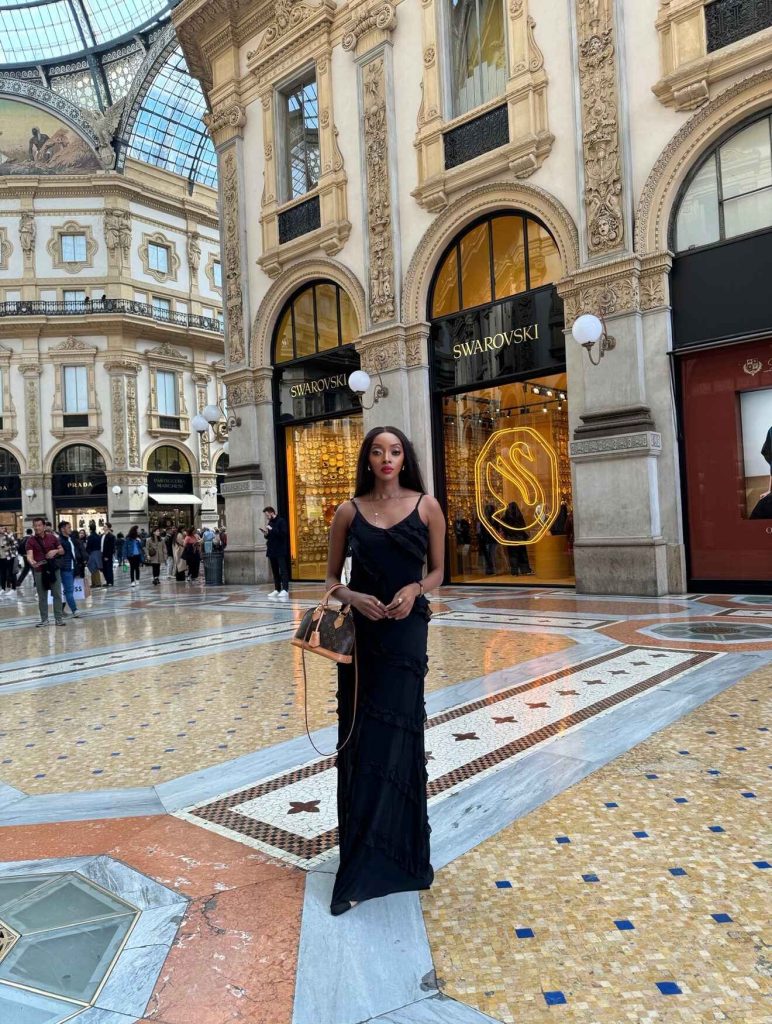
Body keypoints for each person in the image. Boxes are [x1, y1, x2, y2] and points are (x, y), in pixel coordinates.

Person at [323, 426, 445, 916]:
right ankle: (357, 867)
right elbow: (331, 580)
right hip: (363, 637)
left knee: (400, 737)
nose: (386, 458)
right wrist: (351, 596)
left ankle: (403, 861)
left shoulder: (427, 506)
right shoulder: (349, 512)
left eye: (394, 451)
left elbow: (438, 571)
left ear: (404, 457)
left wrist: (416, 590)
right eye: (377, 451)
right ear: (367, 460)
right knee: (362, 740)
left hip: (406, 635)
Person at [27, 516, 64, 627]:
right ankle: (44, 620)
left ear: (43, 526)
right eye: (35, 526)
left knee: (57, 594)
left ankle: (59, 619)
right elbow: (29, 555)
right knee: (42, 596)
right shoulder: (31, 540)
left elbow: (62, 551)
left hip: (53, 569)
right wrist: (31, 561)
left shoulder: (52, 537)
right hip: (39, 570)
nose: (37, 528)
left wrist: (55, 551)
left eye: (39, 525)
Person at [261, 506, 289, 600]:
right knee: (275, 570)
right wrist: (266, 534)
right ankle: (277, 589)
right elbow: (270, 536)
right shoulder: (270, 522)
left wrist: (272, 529)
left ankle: (285, 589)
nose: (267, 517)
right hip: (272, 550)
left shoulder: (281, 521)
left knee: (283, 570)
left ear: (271, 512)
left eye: (267, 515)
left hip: (280, 549)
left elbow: (283, 534)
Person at [58, 521, 82, 618]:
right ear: (62, 529)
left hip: (72, 567)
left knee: (67, 590)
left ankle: (60, 610)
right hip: (65, 568)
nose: (70, 529)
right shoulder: (60, 541)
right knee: (69, 591)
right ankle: (75, 610)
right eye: (68, 527)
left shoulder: (70, 539)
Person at [502, 501, 533, 576]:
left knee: (513, 555)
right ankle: (525, 570)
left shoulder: (505, 517)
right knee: (522, 554)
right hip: (520, 538)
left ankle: (514, 571)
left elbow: (503, 527)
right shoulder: (519, 516)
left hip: (510, 539)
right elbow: (523, 526)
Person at [0, 526, 17, 596]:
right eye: (1, 528)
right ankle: (3, 589)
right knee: (2, 574)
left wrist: (9, 547)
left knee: (11, 573)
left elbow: (16, 544)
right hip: (1, 557)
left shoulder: (9, 536)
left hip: (9, 557)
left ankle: (13, 589)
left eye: (3, 528)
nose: (2, 530)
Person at [101, 523, 116, 587]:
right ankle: (107, 581)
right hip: (102, 554)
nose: (103, 527)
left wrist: (107, 556)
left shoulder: (111, 536)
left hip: (108, 555)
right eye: (103, 526)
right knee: (104, 569)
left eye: (105, 526)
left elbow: (111, 547)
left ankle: (110, 582)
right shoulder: (102, 535)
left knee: (109, 569)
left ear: (108, 528)